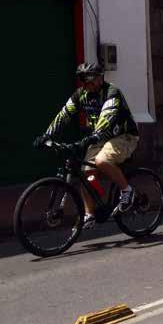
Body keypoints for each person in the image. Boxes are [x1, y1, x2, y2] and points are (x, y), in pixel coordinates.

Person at [35, 62, 141, 228]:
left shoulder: (111, 93)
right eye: (83, 80)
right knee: (87, 173)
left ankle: (128, 191)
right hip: (98, 138)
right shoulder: (81, 95)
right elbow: (64, 115)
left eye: (91, 79)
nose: (87, 84)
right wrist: (46, 135)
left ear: (100, 78)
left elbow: (106, 118)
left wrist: (91, 138)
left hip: (124, 136)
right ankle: (89, 214)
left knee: (101, 161)